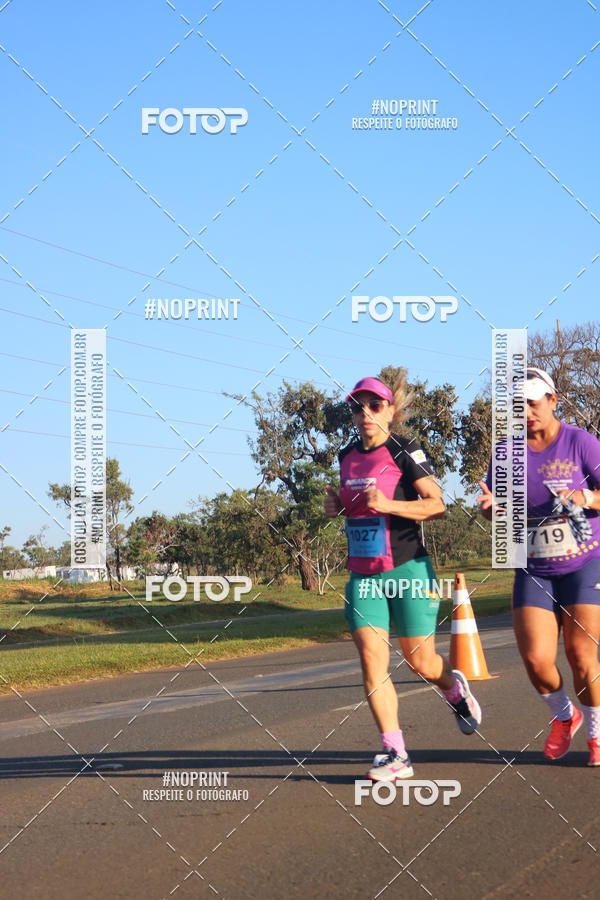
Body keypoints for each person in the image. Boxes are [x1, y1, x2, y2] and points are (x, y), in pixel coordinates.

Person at [324, 374, 482, 782]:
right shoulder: (346, 457)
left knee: (420, 661)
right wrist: (335, 507)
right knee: (372, 660)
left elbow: (437, 504)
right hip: (364, 577)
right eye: (358, 407)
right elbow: (355, 508)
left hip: (410, 570)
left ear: (390, 411)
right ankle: (395, 752)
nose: (365, 414)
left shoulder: (404, 450)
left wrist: (391, 504)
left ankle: (454, 690)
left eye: (374, 406)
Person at [478, 367, 600, 767]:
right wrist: (491, 510)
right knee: (535, 660)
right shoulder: (505, 453)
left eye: (533, 402)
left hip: (586, 561)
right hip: (533, 567)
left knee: (581, 655)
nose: (527, 411)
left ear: (552, 400)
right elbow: (496, 507)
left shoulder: (580, 442)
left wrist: (585, 497)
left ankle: (597, 733)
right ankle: (566, 716)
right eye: (519, 405)